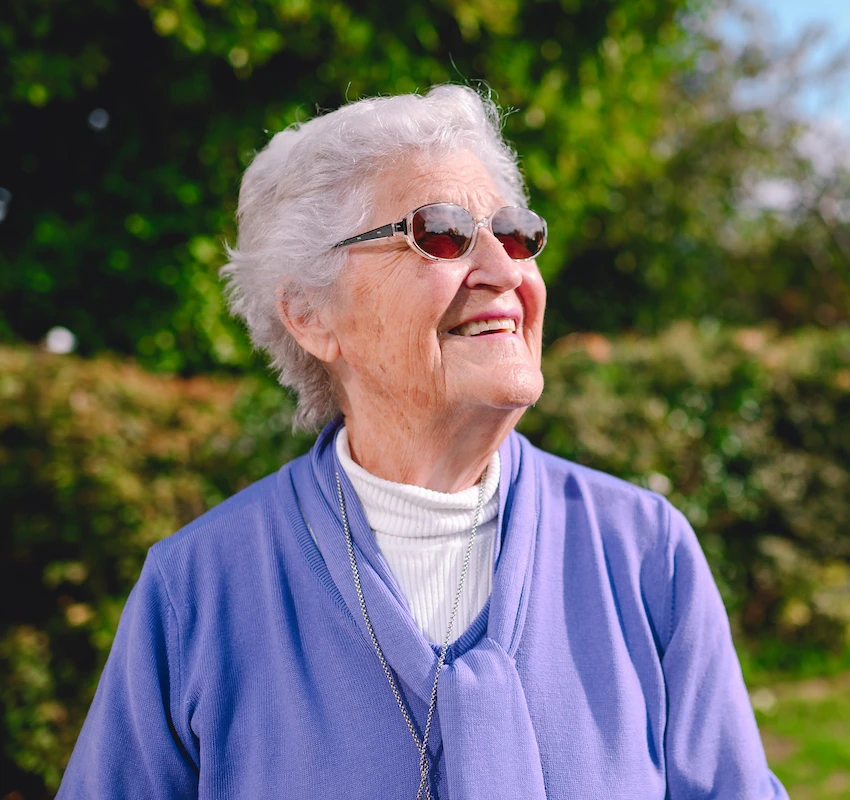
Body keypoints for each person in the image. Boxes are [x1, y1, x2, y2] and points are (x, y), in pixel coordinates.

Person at [58, 85, 787, 799]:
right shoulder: (198, 591)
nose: (505, 271)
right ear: (311, 314)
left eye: (516, 233)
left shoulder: (641, 551)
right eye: (439, 233)